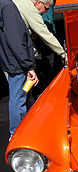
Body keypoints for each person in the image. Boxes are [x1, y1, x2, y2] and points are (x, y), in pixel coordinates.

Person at [0, 0, 39, 136]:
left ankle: (22, 131)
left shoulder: (4, 6)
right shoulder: (8, 6)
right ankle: (17, 134)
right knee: (18, 100)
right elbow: (16, 39)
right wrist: (28, 66)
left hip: (13, 62)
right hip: (18, 64)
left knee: (22, 98)